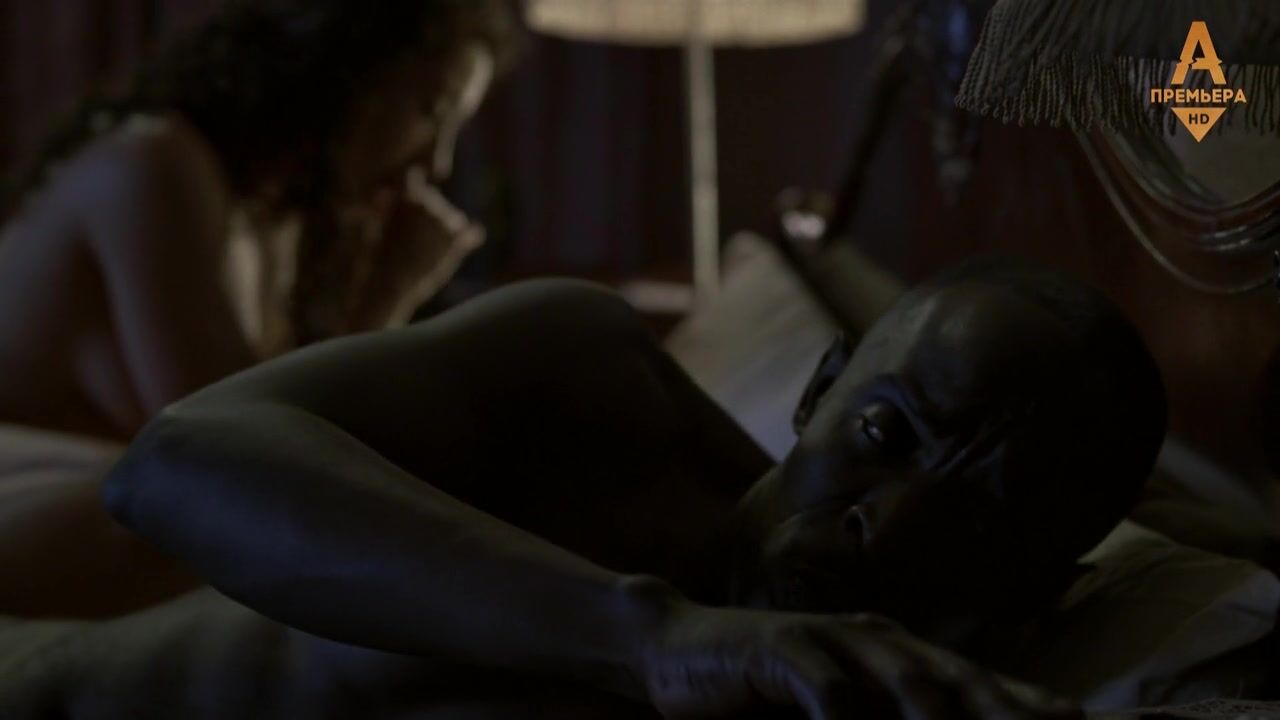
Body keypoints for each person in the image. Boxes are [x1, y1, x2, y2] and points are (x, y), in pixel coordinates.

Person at [88, 259, 1165, 718]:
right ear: (817, 390)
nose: (884, 523)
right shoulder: (591, 387)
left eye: (976, 520)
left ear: (1030, 601)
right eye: (883, 432)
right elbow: (171, 463)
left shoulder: (870, 691)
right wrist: (651, 635)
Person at [0, 0, 517, 617]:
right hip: (25, 482)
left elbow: (291, 435)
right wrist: (391, 292)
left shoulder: (275, 215)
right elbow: (236, 447)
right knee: (242, 522)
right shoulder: (150, 164)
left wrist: (383, 290)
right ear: (343, 73)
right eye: (429, 111)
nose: (438, 162)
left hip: (101, 494)